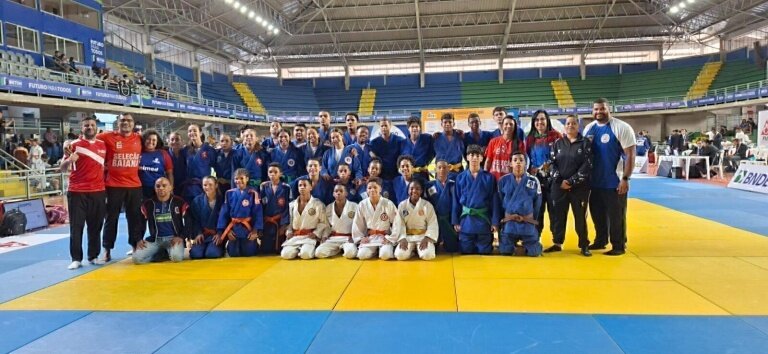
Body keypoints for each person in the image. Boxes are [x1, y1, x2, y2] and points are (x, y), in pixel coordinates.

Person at [583, 98, 636, 256]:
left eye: (602, 109)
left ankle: (618, 245)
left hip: (614, 181)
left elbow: (630, 155)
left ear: (609, 109)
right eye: (596, 109)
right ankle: (601, 240)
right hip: (594, 182)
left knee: (616, 216)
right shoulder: (589, 129)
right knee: (597, 214)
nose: (599, 112)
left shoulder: (621, 127)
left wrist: (625, 178)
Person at [62, 116, 107, 270]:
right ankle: (76, 258)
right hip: (77, 192)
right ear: (82, 128)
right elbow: (61, 168)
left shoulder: (103, 145)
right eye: (86, 125)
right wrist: (69, 160)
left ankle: (93, 256)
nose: (90, 127)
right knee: (76, 227)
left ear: (97, 127)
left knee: (96, 226)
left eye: (92, 125)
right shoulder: (73, 145)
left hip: (98, 191)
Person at [98, 113, 143, 261]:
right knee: (111, 218)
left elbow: (156, 146)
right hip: (114, 185)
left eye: (129, 120)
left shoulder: (139, 138)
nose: (126, 123)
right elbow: (88, 139)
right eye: (123, 120)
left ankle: (135, 246)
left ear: (133, 123)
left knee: (134, 218)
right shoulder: (107, 137)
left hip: (134, 185)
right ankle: (107, 249)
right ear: (118, 123)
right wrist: (68, 144)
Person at [546, 115, 593, 256]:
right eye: (568, 123)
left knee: (580, 217)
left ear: (578, 126)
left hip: (579, 188)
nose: (570, 126)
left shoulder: (585, 143)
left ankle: (584, 245)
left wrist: (572, 181)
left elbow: (587, 165)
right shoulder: (558, 143)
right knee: (558, 216)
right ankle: (557, 243)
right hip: (559, 187)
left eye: (573, 123)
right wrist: (559, 180)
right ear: (564, 126)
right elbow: (551, 163)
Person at [452, 145, 500, 254]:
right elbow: (456, 201)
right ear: (467, 157)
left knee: (485, 251)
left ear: (482, 158)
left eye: (477, 155)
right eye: (471, 155)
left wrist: (494, 222)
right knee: (466, 250)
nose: (474, 158)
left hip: (483, 221)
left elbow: (494, 202)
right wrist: (455, 221)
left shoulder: (489, 178)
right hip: (466, 222)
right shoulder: (460, 178)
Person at [132, 177, 190, 264]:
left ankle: (163, 253)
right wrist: (139, 239)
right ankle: (160, 254)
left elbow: (189, 222)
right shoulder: (148, 204)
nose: (161, 188)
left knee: (176, 258)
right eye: (158, 186)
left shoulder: (179, 202)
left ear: (170, 187)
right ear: (155, 188)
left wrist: (181, 237)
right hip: (155, 240)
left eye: (164, 185)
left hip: (173, 239)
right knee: (136, 259)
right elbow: (140, 223)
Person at [497, 151, 542, 256]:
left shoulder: (534, 181)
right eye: (515, 160)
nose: (518, 162)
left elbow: (537, 204)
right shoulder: (503, 181)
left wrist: (531, 219)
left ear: (526, 163)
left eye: (521, 160)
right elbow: (500, 202)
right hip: (509, 223)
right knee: (505, 251)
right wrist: (501, 222)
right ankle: (512, 247)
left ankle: (526, 247)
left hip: (527, 223)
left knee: (534, 252)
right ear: (510, 163)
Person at [525, 110, 562, 237]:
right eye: (537, 120)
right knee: (537, 210)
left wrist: (548, 168)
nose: (539, 122)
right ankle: (535, 238)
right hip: (536, 180)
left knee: (554, 210)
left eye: (542, 119)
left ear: (547, 121)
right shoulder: (530, 139)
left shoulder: (556, 136)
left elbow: (561, 157)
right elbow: (527, 158)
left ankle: (557, 241)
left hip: (553, 180)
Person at [351, 177, 403, 260]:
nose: (372, 190)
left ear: (380, 189)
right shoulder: (362, 204)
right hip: (370, 237)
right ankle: (375, 251)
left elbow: (397, 222)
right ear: (366, 190)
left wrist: (391, 238)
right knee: (362, 255)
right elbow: (357, 223)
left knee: (385, 255)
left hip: (385, 236)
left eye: (375, 187)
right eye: (369, 188)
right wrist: (361, 238)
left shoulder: (388, 203)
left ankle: (381, 250)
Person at [218, 168, 264, 257]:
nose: (238, 181)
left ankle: (254, 244)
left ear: (247, 179)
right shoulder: (229, 193)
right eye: (236, 178)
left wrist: (255, 231)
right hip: (234, 229)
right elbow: (224, 213)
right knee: (233, 253)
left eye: (241, 178)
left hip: (247, 229)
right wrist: (227, 231)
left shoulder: (253, 193)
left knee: (249, 253)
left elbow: (258, 213)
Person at [281, 177, 329, 260]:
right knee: (285, 254)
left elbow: (323, 222)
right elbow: (289, 222)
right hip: (295, 237)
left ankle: (305, 250)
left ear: (311, 187)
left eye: (304, 185)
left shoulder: (318, 204)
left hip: (310, 237)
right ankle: (298, 250)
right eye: (300, 185)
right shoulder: (292, 205)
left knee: (306, 254)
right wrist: (289, 232)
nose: (302, 187)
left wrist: (316, 233)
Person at [395, 179, 439, 261]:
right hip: (407, 237)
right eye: (411, 188)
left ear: (421, 191)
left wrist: (427, 238)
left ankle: (417, 250)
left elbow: (432, 223)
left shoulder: (427, 205)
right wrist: (402, 238)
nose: (414, 191)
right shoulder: (402, 205)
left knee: (428, 255)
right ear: (408, 190)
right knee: (400, 255)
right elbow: (399, 224)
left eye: (417, 189)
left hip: (423, 236)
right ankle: (412, 252)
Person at [315, 184, 358, 259]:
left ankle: (343, 249)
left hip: (348, 238)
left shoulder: (355, 206)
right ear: (333, 194)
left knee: (350, 254)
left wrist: (355, 237)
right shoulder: (329, 207)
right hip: (334, 238)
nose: (338, 193)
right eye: (336, 191)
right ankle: (337, 249)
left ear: (346, 193)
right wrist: (325, 236)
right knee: (319, 252)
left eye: (341, 191)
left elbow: (359, 224)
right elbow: (326, 225)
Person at [188, 176, 225, 259]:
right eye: (205, 185)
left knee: (212, 254)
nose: (207, 187)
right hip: (203, 235)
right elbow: (194, 219)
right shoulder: (197, 201)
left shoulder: (222, 200)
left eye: (210, 184)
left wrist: (220, 233)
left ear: (216, 185)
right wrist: (198, 233)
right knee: (196, 254)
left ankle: (220, 248)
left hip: (216, 235)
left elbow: (225, 219)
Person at [425, 160, 458, 253]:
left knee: (452, 248)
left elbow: (456, 205)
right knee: (433, 248)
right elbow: (427, 204)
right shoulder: (429, 185)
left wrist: (455, 221)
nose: (442, 170)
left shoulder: (453, 185)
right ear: (435, 169)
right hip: (435, 220)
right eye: (439, 167)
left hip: (449, 220)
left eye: (444, 167)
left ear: (448, 169)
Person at [182, 124, 217, 203]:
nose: (192, 133)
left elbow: (216, 168)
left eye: (194, 130)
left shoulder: (209, 150)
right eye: (190, 131)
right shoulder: (185, 150)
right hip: (188, 188)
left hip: (204, 187)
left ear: (200, 133)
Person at [260, 163, 291, 254]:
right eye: (270, 172)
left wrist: (284, 225)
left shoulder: (286, 187)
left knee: (279, 249)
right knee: (266, 250)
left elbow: (288, 207)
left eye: (275, 172)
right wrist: (260, 225)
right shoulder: (263, 186)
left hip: (280, 222)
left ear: (280, 174)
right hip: (267, 222)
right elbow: (260, 207)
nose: (272, 174)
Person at [485, 114, 525, 181]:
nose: (508, 126)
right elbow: (488, 161)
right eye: (506, 124)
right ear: (502, 126)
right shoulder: (493, 141)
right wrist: (485, 177)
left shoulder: (519, 144)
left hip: (510, 181)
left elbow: (521, 164)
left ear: (514, 127)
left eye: (511, 124)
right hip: (493, 179)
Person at [138, 130, 173, 199]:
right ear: (144, 140)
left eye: (154, 140)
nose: (151, 142)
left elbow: (170, 173)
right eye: (148, 139)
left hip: (159, 189)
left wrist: (170, 188)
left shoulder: (163, 153)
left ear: (157, 142)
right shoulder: (138, 153)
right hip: (141, 189)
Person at [400, 116, 435, 180]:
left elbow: (432, 152)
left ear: (420, 128)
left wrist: (426, 163)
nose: (414, 128)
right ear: (408, 128)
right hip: (408, 175)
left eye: (416, 126)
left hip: (422, 174)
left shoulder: (427, 138)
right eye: (412, 127)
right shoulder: (402, 143)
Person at [433, 113, 465, 179]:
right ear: (441, 124)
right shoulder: (436, 138)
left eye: (450, 122)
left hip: (457, 173)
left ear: (454, 124)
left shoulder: (460, 136)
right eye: (445, 122)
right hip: (441, 173)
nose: (447, 124)